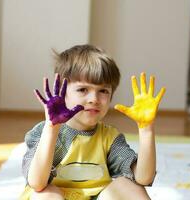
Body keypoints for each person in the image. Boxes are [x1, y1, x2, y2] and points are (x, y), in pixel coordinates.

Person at [20, 44, 165, 200]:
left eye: (103, 91)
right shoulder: (43, 132)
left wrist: (146, 129)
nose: (94, 99)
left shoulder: (110, 138)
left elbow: (143, 178)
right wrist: (52, 128)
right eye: (83, 90)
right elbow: (37, 183)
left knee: (128, 186)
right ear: (62, 92)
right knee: (46, 195)